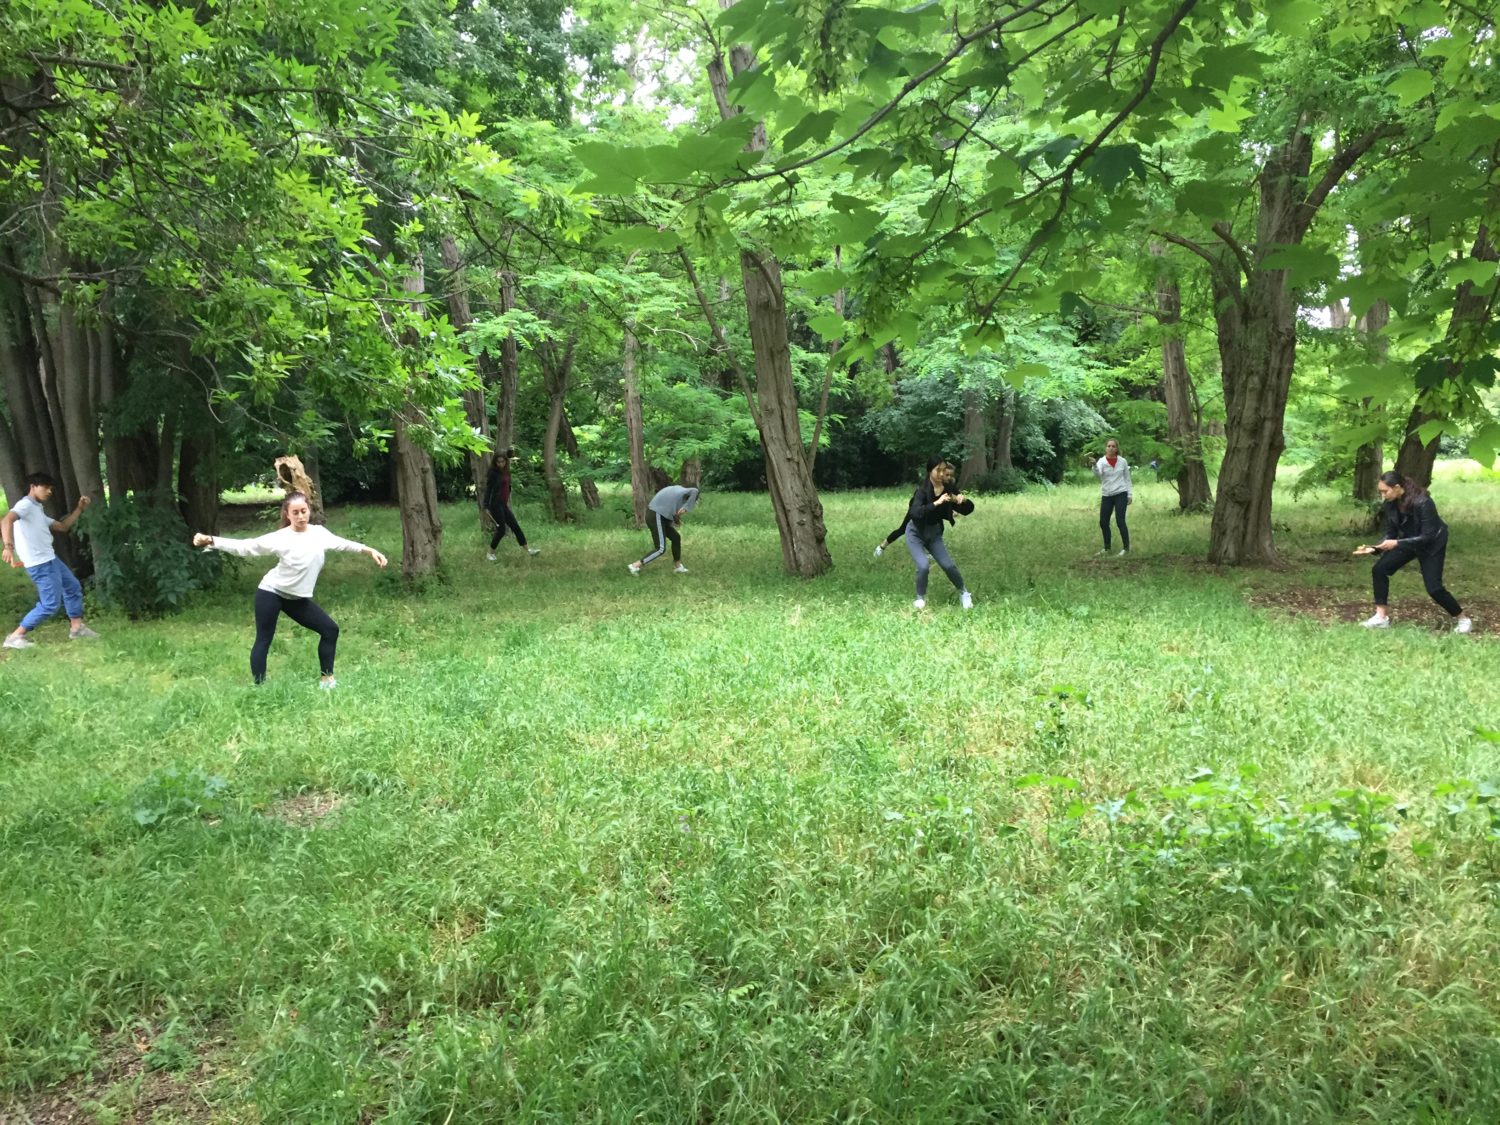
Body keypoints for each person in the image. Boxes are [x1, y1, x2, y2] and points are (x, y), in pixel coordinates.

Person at [192, 492, 388, 687]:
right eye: (296, 512)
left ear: (309, 510)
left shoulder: (319, 533)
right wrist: (212, 540)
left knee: (330, 630)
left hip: (296, 599)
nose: (301, 516)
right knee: (264, 639)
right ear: (288, 515)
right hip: (271, 592)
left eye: (304, 511)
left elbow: (344, 544)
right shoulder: (281, 538)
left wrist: (370, 550)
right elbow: (247, 547)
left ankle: (327, 681)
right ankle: (260, 687)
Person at [1353, 471, 1472, 633]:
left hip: (1432, 544)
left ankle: (1463, 619)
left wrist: (1397, 543)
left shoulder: (1423, 502)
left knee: (1434, 588)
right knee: (1379, 569)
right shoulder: (1390, 503)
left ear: (1396, 487)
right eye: (1380, 491)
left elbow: (1428, 536)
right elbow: (1390, 532)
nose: (1382, 495)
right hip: (1408, 541)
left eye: (1384, 491)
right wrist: (1375, 548)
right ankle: (1381, 618)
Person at [2, 472, 99, 649]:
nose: (49, 491)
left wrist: (79, 509)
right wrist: (8, 546)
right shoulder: (25, 505)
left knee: (72, 587)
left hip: (50, 559)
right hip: (40, 564)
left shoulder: (37, 510)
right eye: (45, 487)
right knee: (50, 604)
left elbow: (62, 526)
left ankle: (77, 629)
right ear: (33, 486)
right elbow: (6, 520)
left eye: (51, 488)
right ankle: (15, 637)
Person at [904, 458, 975, 610]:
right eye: (938, 470)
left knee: (948, 565)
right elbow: (915, 513)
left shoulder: (949, 488)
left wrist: (962, 501)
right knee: (923, 566)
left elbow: (968, 509)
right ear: (930, 471)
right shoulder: (922, 491)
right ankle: (920, 599)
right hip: (915, 533)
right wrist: (936, 503)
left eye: (943, 470)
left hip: (934, 533)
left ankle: (964, 593)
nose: (941, 473)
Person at [628, 483, 700, 576]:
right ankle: (635, 565)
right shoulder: (689, 491)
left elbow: (669, 508)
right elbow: (695, 491)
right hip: (656, 515)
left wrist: (676, 519)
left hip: (658, 515)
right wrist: (686, 508)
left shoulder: (678, 491)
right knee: (660, 548)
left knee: (676, 538)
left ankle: (678, 567)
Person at [482, 449, 540, 561]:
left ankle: (528, 550)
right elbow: (488, 490)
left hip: (503, 504)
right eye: (498, 462)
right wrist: (485, 506)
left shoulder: (507, 472)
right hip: (495, 504)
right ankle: (490, 553)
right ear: (495, 462)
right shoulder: (493, 473)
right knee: (502, 529)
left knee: (515, 526)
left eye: (502, 462)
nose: (500, 464)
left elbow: (507, 486)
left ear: (506, 462)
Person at [1086, 438, 1133, 555]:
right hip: (1107, 495)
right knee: (1103, 522)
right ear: (1105, 448)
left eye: (1113, 446)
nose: (1111, 448)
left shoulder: (1122, 461)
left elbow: (1127, 478)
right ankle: (1107, 548)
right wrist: (1094, 465)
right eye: (1109, 446)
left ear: (1117, 449)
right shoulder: (1101, 461)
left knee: (1120, 521)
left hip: (1121, 493)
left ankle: (1126, 549)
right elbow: (1098, 475)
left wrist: (1130, 494)